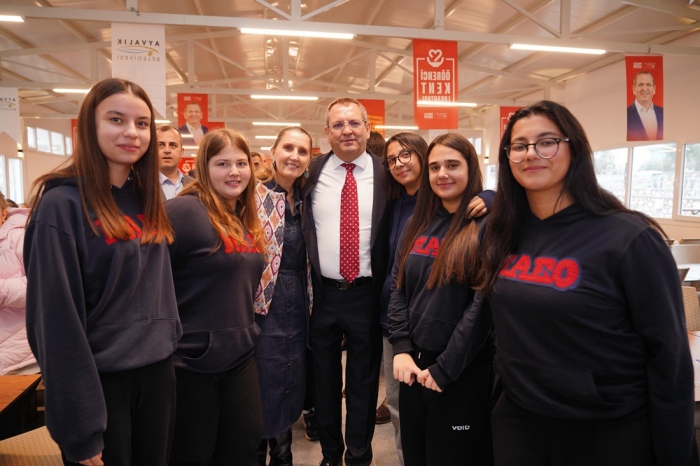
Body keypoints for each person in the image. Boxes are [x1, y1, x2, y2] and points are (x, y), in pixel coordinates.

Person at [477, 100, 697, 466]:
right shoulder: (502, 233)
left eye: (547, 142)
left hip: (606, 429)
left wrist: (677, 452)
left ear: (574, 147)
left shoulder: (628, 237)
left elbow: (669, 357)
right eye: (519, 145)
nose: (531, 153)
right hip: (520, 422)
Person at [24, 77, 180, 465]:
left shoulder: (147, 198)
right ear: (89, 127)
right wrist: (81, 427)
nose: (132, 133)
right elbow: (55, 324)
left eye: (142, 123)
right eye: (116, 119)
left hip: (157, 377)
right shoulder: (61, 206)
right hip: (100, 384)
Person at [379, 132, 493, 465]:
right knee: (416, 454)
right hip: (414, 366)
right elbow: (399, 287)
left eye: (452, 165)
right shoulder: (416, 223)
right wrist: (401, 348)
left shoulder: (487, 226)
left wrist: (446, 368)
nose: (442, 174)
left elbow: (481, 308)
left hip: (462, 369)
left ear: (470, 168)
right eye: (435, 167)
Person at [165, 128, 265, 465]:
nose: (234, 172)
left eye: (241, 163)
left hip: (240, 354)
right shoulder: (183, 212)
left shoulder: (243, 216)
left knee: (245, 448)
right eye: (223, 164)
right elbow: (149, 280)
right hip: (190, 361)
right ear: (203, 168)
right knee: (193, 454)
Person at [300, 97, 389, 466]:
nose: (347, 130)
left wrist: (487, 196)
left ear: (367, 128)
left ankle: (358, 456)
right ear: (327, 132)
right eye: (338, 124)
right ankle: (330, 455)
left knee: (363, 385)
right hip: (321, 294)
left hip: (366, 294)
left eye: (354, 123)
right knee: (323, 382)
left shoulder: (387, 173)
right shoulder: (310, 172)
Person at [253, 126, 314, 466]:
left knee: (290, 379)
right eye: (288, 148)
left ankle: (283, 454)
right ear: (273, 152)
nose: (294, 156)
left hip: (300, 303)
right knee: (263, 382)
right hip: (263, 304)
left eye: (302, 151)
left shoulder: (307, 199)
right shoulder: (252, 194)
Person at [0, 191, 39, 440]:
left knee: (11, 432)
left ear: (3, 213)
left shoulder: (21, 236)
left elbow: (41, 285)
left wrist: (1, 291)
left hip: (19, 357)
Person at [157, 124, 194, 200]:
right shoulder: (140, 185)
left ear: (181, 151)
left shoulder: (195, 186)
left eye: (173, 145)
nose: (167, 150)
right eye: (160, 145)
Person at [627, 70, 664, 141]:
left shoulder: (663, 113)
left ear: (654, 89)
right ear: (634, 89)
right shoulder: (626, 115)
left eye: (648, 84)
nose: (644, 89)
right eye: (640, 84)